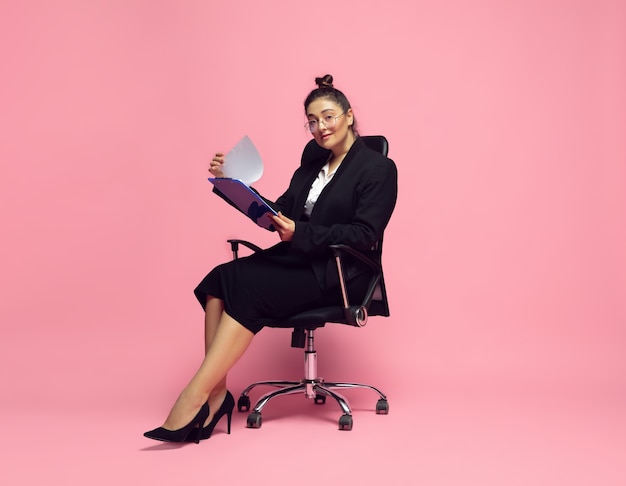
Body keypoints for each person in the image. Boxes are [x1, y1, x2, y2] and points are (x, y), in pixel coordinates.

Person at [144, 74, 398, 443]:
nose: (320, 127)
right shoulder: (314, 161)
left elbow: (364, 235)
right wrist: (236, 186)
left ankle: (193, 397)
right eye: (312, 121)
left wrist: (301, 232)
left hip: (339, 271)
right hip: (300, 258)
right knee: (221, 277)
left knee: (249, 287)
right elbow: (283, 212)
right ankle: (217, 395)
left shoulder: (377, 169)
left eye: (328, 116)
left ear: (348, 115)